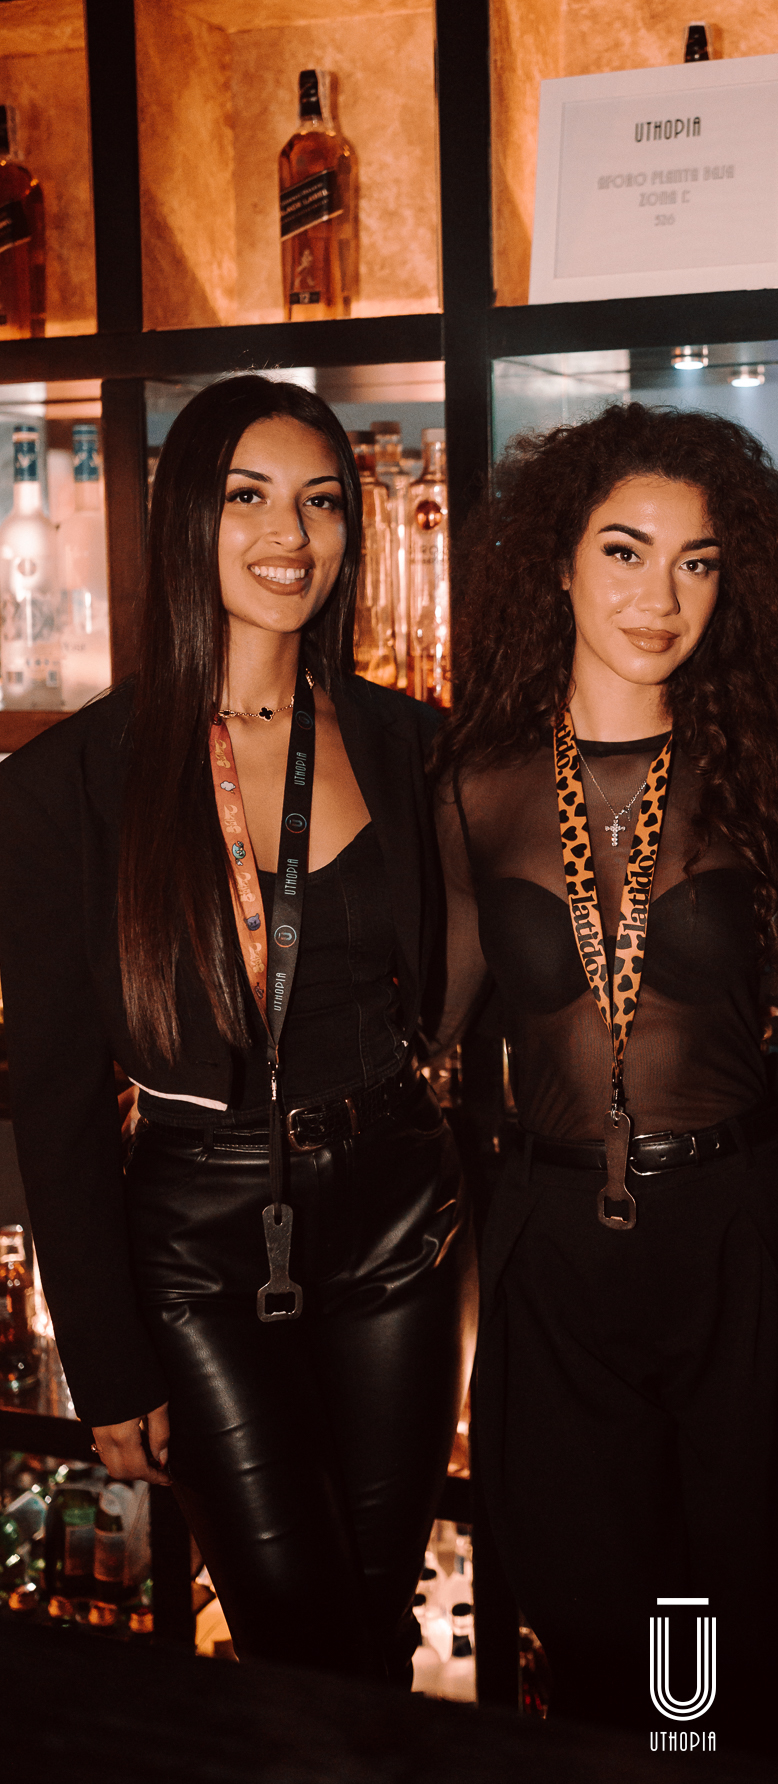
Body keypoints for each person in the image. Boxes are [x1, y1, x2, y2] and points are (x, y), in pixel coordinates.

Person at [432, 402, 778, 1742]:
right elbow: (422, 1023)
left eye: (697, 563)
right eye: (625, 552)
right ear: (559, 564)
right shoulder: (472, 787)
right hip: (554, 1249)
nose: (660, 597)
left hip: (736, 1236)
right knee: (592, 1630)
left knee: (736, 1634)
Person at [0, 375, 468, 1681]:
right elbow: (55, 1098)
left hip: (395, 1214)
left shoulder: (409, 744)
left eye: (322, 502)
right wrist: (105, 1361)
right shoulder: (63, 787)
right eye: (249, 497)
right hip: (197, 1241)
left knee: (375, 1614)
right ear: (186, 520)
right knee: (289, 1631)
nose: (290, 536)